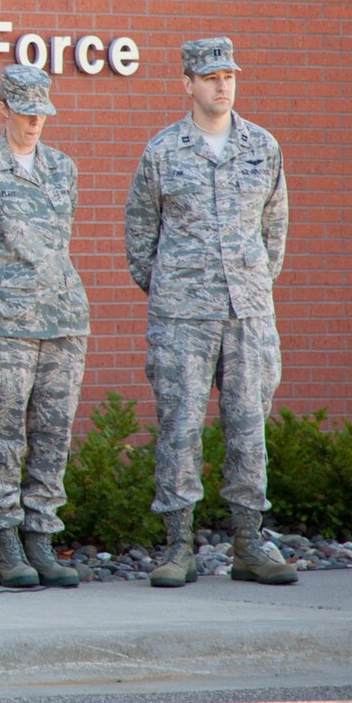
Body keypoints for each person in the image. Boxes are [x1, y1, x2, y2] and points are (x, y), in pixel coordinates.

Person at [125, 37, 294, 588]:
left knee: (249, 428)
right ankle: (178, 545)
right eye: (212, 77)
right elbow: (139, 236)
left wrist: (250, 287)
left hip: (248, 315)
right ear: (188, 84)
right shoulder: (162, 152)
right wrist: (176, 291)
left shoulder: (263, 147)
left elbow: (276, 229)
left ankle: (248, 542)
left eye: (230, 76)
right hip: (181, 318)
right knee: (179, 428)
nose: (223, 85)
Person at [0, 65, 88, 588]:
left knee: (53, 433)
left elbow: (60, 245)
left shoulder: (63, 169)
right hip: (4, 326)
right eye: (25, 112)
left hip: (63, 322)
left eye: (42, 113)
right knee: (5, 434)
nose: (34, 122)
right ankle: (6, 540)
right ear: (4, 108)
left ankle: (41, 537)